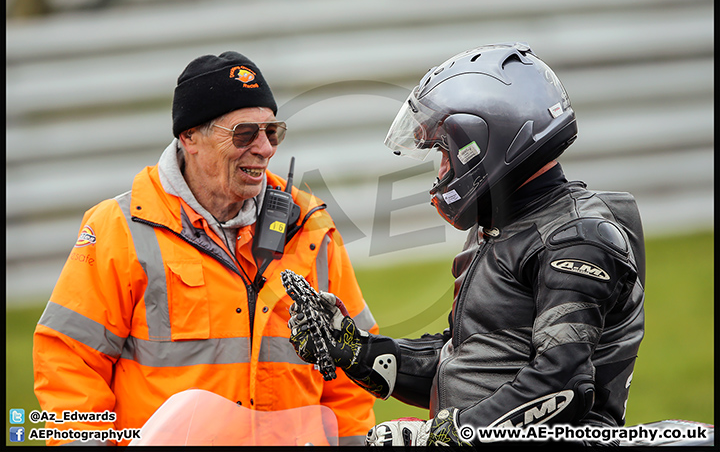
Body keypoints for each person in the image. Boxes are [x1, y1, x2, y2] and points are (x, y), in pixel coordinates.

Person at [288, 42, 646, 446]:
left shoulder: (575, 238)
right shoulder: (500, 231)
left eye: (444, 151)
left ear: (486, 141)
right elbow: (469, 362)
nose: (442, 171)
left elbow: (562, 385)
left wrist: (444, 436)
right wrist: (356, 350)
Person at [33, 51, 378, 446]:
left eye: (272, 132)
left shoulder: (310, 226)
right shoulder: (119, 228)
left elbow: (353, 359)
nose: (265, 148)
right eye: (245, 133)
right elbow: (69, 360)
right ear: (189, 137)